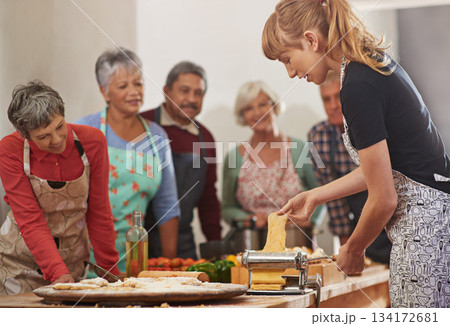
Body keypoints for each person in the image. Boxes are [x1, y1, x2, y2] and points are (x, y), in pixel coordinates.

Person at [263, 0, 450, 308]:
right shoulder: (367, 65)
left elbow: (384, 197)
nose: (291, 73)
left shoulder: (358, 86)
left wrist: (353, 248)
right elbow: (382, 168)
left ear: (311, 40)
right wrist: (315, 195)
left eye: (287, 58)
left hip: (426, 229)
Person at [0, 81, 120, 295]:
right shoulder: (10, 150)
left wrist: (110, 272)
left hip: (72, 262)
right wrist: (58, 274)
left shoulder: (93, 142)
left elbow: (99, 211)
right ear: (25, 135)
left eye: (60, 126)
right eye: (43, 136)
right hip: (19, 264)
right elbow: (30, 219)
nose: (56, 140)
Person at [75, 47, 179, 272]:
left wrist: (169, 267)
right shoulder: (84, 130)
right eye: (123, 86)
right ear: (104, 92)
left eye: (138, 83)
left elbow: (167, 206)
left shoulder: (157, 137)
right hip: (84, 259)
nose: (134, 91)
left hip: (135, 259)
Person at [222, 80, 325, 248]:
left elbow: (322, 194)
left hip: (297, 242)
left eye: (263, 104)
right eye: (249, 108)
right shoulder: (234, 157)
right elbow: (227, 208)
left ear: (275, 106)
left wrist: (309, 220)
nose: (257, 112)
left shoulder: (301, 150)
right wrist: (249, 220)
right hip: (253, 245)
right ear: (242, 115)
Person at [308, 71, 391, 264]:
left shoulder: (371, 122)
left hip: (395, 213)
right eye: (326, 100)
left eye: (338, 97)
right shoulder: (319, 135)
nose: (333, 106)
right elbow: (335, 203)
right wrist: (349, 250)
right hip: (362, 226)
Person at [140, 61, 221, 259]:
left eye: (198, 93)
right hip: (140, 240)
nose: (191, 99)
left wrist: (216, 248)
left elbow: (208, 199)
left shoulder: (206, 138)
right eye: (185, 91)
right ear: (167, 91)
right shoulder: (141, 125)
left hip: (184, 243)